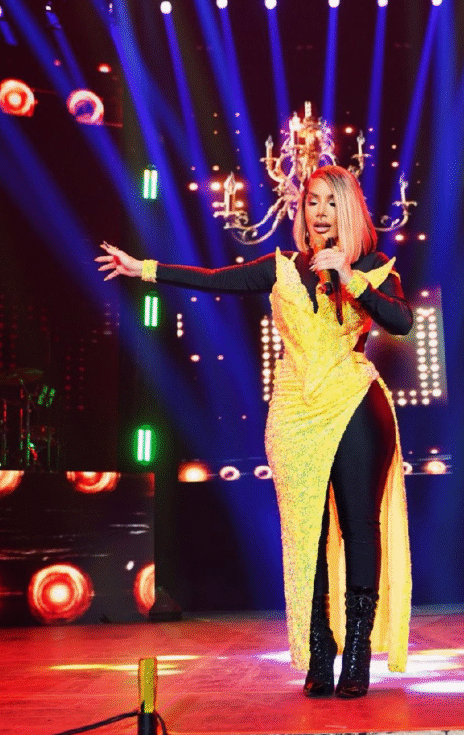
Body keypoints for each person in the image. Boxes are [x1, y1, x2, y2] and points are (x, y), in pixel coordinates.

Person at [97, 165, 412, 698]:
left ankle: (357, 653)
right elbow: (214, 278)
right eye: (311, 201)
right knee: (305, 533)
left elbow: (401, 322)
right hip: (293, 411)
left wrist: (349, 276)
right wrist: (143, 268)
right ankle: (320, 650)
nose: (319, 212)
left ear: (348, 209)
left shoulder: (373, 267)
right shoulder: (282, 266)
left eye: (330, 202)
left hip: (354, 401)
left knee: (359, 526)